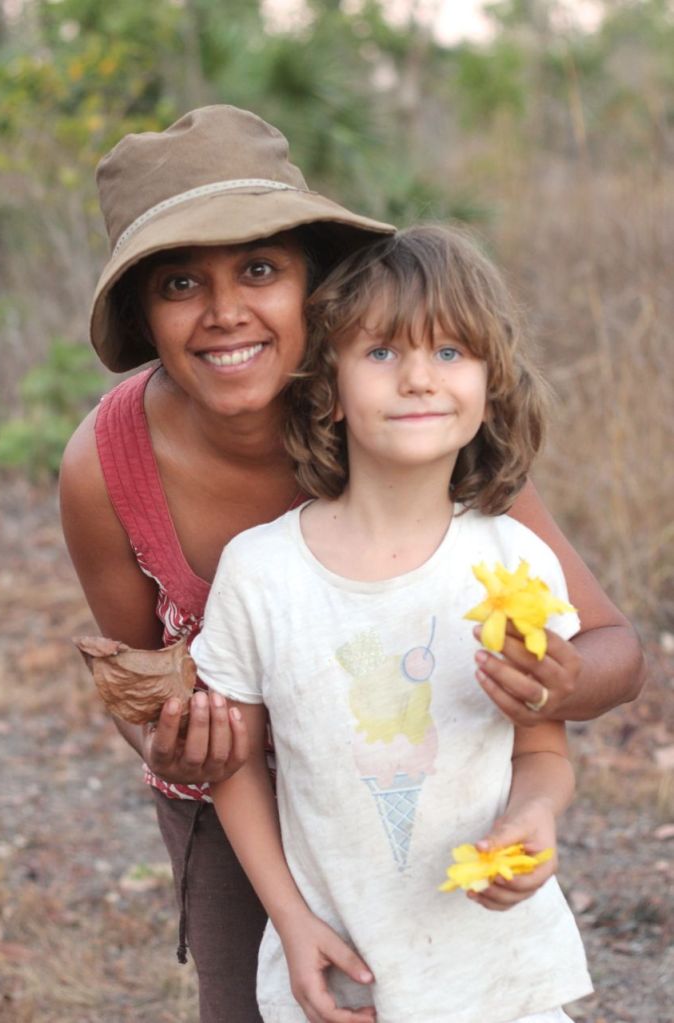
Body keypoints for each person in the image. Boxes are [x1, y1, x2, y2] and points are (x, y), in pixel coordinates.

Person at [58, 106, 643, 1023]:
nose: (225, 312)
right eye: (178, 283)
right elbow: (147, 683)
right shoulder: (111, 465)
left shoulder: (403, 420)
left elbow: (605, 654)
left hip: (439, 810)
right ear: (142, 312)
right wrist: (171, 742)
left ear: (312, 281)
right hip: (239, 803)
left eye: (259, 268)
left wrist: (552, 688)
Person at [191, 225, 594, 1023]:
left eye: (451, 353)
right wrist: (291, 920)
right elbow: (232, 766)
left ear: (490, 383)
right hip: (344, 975)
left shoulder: (515, 566)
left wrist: (534, 815)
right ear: (329, 390)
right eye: (381, 353)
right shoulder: (261, 571)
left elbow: (543, 750)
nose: (418, 378)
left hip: (499, 973)